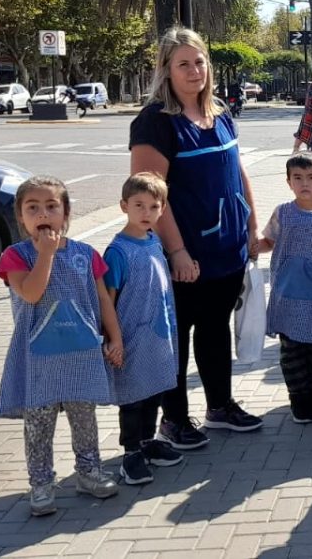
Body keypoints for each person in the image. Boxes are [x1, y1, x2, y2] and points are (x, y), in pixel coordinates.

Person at [129, 27, 262, 449]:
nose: (194, 71)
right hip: (185, 253)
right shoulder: (155, 122)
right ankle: (175, 419)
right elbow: (150, 196)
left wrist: (252, 227)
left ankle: (219, 406)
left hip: (227, 248)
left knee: (214, 328)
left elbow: (238, 174)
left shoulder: (220, 113)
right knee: (178, 334)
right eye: (183, 63)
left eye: (199, 61)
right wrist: (178, 251)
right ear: (166, 70)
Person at [0, 177, 123, 516]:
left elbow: (102, 301)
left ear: (65, 213)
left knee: (85, 419)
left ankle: (89, 471)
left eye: (52, 206)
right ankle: (41, 483)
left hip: (80, 353)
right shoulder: (15, 256)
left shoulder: (85, 255)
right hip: (39, 358)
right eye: (32, 207)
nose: (43, 213)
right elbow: (33, 293)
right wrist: (46, 256)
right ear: (21, 217)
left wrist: (115, 338)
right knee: (39, 424)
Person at [103, 173, 183, 486]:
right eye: (139, 205)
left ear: (162, 209)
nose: (146, 212)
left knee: (153, 391)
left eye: (153, 206)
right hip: (132, 338)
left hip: (158, 335)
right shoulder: (118, 252)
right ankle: (131, 453)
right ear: (124, 206)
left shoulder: (153, 241)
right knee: (133, 397)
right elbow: (107, 300)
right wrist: (113, 340)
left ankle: (148, 441)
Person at [256, 152, 312, 424]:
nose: (304, 183)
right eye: (298, 178)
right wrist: (249, 248)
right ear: (288, 182)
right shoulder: (283, 212)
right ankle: (298, 400)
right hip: (288, 296)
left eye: (311, 177)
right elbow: (268, 241)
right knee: (291, 350)